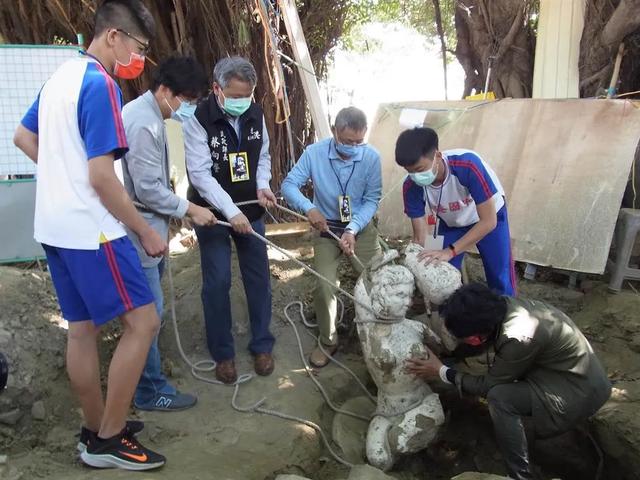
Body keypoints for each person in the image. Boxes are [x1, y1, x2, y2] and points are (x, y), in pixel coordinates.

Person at [13, 0, 167, 470]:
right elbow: (102, 177)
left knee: (81, 331)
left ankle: (95, 428)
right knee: (143, 323)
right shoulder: (101, 85)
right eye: (138, 47)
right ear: (113, 36)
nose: (138, 59)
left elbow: (23, 137)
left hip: (53, 227)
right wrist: (143, 230)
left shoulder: (62, 75)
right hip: (92, 230)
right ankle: (112, 439)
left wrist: (62, 178)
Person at [406, 283, 612, 480]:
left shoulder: (517, 336)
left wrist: (441, 371)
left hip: (578, 392)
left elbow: (488, 386)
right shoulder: (504, 307)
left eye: (463, 337)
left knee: (500, 397)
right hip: (573, 376)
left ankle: (519, 474)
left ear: (477, 337)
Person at [121, 55, 216, 411]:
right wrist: (191, 209)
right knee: (148, 317)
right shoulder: (143, 123)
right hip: (139, 230)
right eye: (187, 101)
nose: (187, 109)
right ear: (165, 91)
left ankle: (146, 380)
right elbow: (146, 190)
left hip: (149, 226)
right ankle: (149, 390)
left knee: (148, 313)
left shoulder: (150, 115)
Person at [183, 56, 276, 384]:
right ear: (216, 90)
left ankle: (262, 344)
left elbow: (262, 156)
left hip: (250, 211)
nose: (241, 102)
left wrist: (263, 185)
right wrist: (229, 212)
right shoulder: (197, 118)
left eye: (246, 95)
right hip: (211, 215)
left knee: (259, 279)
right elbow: (200, 174)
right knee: (218, 281)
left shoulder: (256, 113)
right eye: (234, 96)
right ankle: (223, 353)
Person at [282, 107, 382, 368]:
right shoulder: (315, 154)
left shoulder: (371, 157)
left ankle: (380, 335)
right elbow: (289, 185)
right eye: (348, 141)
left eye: (359, 142)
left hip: (361, 228)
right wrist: (310, 208)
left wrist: (353, 229)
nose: (354, 147)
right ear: (335, 131)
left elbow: (372, 199)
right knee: (325, 285)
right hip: (326, 230)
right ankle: (328, 340)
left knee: (377, 279)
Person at [397, 127, 517, 296]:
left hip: (489, 217)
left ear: (437, 156)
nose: (415, 176)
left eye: (419, 169)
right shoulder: (410, 186)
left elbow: (489, 222)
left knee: (499, 273)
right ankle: (449, 316)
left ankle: (506, 314)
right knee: (437, 272)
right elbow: (420, 237)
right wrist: (418, 266)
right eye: (409, 171)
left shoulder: (468, 165)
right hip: (450, 222)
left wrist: (450, 251)